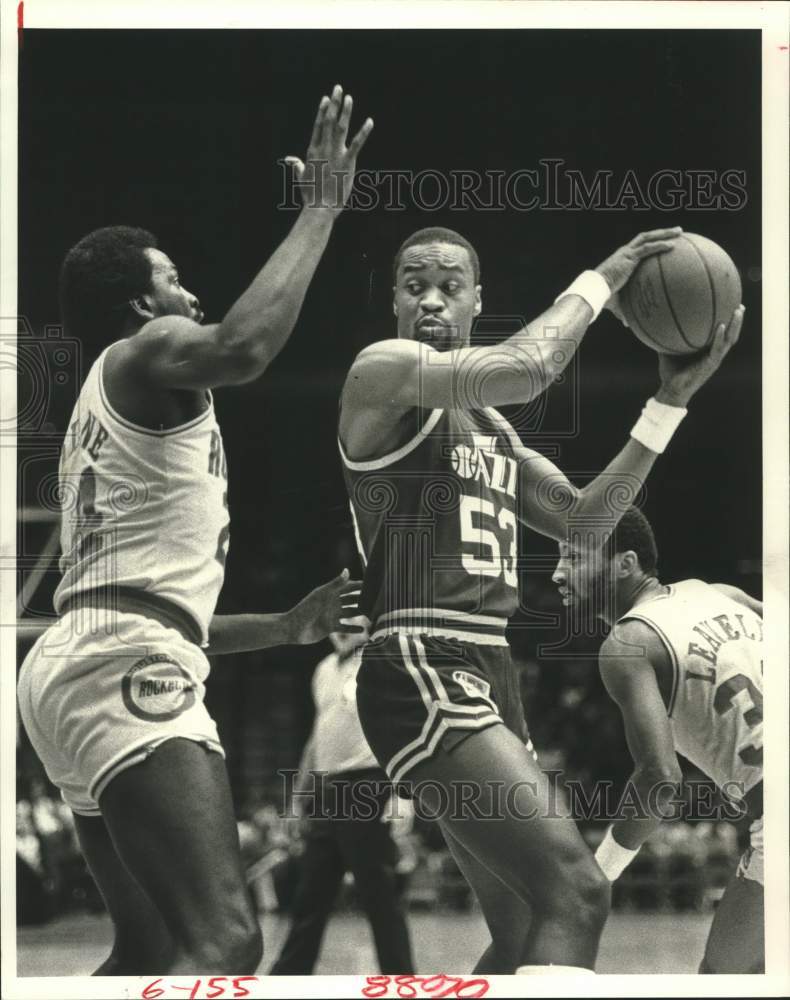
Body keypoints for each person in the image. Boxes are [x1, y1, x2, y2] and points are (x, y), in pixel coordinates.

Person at [17, 85, 372, 975]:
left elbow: (152, 606)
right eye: (172, 280)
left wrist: (288, 628)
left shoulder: (102, 413)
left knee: (152, 945)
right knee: (229, 940)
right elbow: (248, 348)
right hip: (121, 663)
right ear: (140, 307)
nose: (192, 291)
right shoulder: (140, 356)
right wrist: (322, 211)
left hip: (79, 656)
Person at [337, 224, 743, 975]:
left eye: (449, 286)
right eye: (413, 283)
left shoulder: (494, 431)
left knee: (528, 930)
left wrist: (667, 400)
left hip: (492, 673)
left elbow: (590, 523)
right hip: (423, 661)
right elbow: (528, 367)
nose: (430, 298)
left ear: (476, 301)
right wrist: (604, 278)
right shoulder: (383, 373)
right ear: (392, 297)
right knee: (579, 891)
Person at [552, 505, 763, 974]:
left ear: (626, 564)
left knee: (724, 979)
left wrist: (599, 872)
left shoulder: (628, 643)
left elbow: (660, 778)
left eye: (573, 558)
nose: (556, 573)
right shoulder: (719, 594)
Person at [270, 626, 415, 975]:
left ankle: (401, 979)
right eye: (337, 620)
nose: (342, 628)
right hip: (327, 788)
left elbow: (403, 726)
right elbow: (317, 739)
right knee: (311, 893)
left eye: (352, 619)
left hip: (369, 784)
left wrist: (402, 794)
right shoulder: (323, 669)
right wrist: (297, 801)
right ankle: (286, 979)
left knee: (378, 892)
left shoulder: (381, 660)